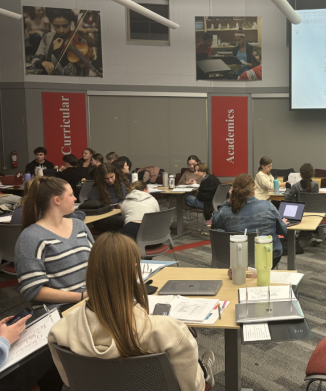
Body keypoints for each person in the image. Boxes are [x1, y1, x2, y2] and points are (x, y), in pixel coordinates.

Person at [48, 232, 216, 391]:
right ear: (136, 270)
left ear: (90, 271)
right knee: (200, 371)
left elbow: (70, 381)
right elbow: (194, 388)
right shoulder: (170, 332)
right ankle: (206, 368)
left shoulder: (60, 330)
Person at [15, 177, 94, 315]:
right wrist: (81, 296)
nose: (75, 198)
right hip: (61, 310)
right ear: (57, 200)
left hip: (89, 301)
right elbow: (33, 289)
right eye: (70, 195)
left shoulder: (79, 225)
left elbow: (96, 261)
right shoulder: (30, 237)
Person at [212, 174, 288, 268]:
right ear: (254, 188)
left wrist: (229, 201)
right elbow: (283, 231)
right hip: (269, 257)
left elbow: (214, 221)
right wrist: (283, 223)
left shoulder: (225, 212)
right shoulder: (268, 206)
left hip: (237, 259)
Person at [31, 8, 92, 76]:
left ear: (70, 23)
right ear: (52, 24)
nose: (61, 30)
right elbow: (34, 61)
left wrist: (58, 53)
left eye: (65, 26)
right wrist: (43, 63)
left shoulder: (80, 42)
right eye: (57, 26)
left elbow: (77, 73)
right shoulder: (47, 37)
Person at [11, 176, 85, 224]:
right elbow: (78, 218)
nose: (75, 198)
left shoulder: (19, 206)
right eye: (70, 195)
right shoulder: (49, 211)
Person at [87, 163, 128, 231]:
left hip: (118, 214)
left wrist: (121, 204)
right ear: (101, 178)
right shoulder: (96, 190)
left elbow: (126, 199)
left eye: (112, 177)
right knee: (123, 220)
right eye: (106, 178)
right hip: (104, 218)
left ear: (115, 174)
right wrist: (107, 207)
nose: (110, 180)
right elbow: (94, 209)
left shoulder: (121, 185)